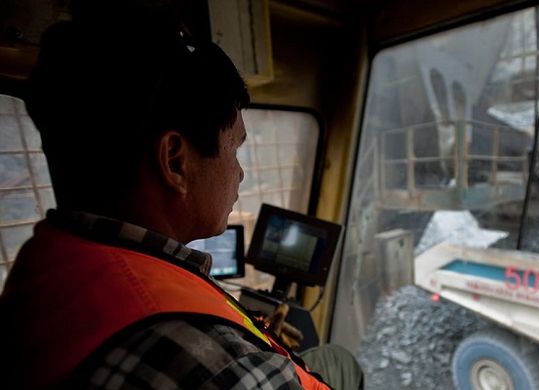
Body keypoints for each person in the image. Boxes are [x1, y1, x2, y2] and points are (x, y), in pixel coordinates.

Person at [0, 2, 362, 389]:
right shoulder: (220, 367)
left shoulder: (47, 263)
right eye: (234, 149)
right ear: (175, 161)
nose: (240, 172)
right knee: (342, 362)